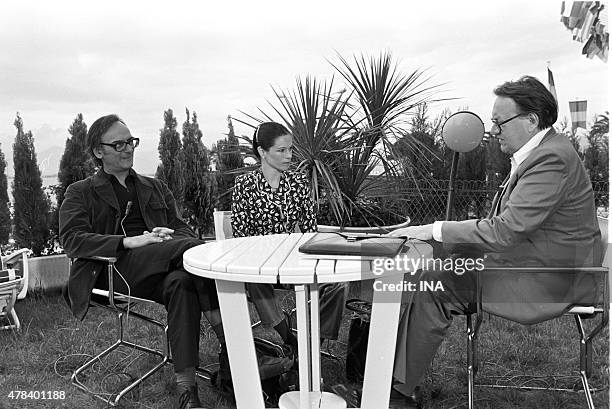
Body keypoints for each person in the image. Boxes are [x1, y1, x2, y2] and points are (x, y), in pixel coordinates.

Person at [387, 76, 601, 407]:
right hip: (538, 267)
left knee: (431, 283)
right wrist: (449, 243)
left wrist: (435, 230)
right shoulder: (545, 152)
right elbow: (510, 229)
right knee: (425, 272)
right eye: (493, 122)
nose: (494, 130)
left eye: (500, 122)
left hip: (547, 280)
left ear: (531, 121)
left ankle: (395, 392)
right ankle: (390, 373)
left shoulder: (550, 159)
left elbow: (505, 231)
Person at [59, 114, 225, 409]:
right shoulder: (80, 192)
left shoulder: (155, 187)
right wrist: (126, 241)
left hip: (160, 270)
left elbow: (181, 228)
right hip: (112, 270)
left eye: (130, 142)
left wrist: (168, 233)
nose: (128, 148)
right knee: (189, 250)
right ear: (99, 151)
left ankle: (187, 391)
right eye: (118, 143)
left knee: (183, 282)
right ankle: (235, 347)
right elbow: (72, 239)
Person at [231, 121, 347, 350]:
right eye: (281, 150)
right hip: (259, 264)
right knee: (253, 276)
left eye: (290, 149)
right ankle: (290, 341)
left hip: (294, 262)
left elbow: (308, 231)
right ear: (262, 152)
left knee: (338, 283)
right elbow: (241, 238)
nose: (288, 156)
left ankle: (313, 345)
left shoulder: (299, 183)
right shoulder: (244, 185)